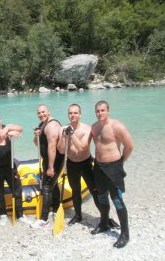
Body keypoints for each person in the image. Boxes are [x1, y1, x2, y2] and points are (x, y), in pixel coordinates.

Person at [57, 104, 120, 227]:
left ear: (80, 114)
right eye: (70, 113)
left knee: (94, 191)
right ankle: (78, 215)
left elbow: (82, 148)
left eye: (75, 113)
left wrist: (72, 133)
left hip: (85, 163)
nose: (73, 115)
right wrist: (64, 136)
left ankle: (105, 218)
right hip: (71, 164)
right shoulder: (63, 129)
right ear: (68, 114)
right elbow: (61, 150)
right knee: (75, 191)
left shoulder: (87, 129)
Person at [90, 100, 133, 248]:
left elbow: (129, 146)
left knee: (117, 200)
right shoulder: (94, 127)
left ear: (108, 110)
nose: (100, 113)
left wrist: (121, 162)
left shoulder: (117, 126)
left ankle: (125, 234)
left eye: (103, 110)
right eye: (97, 111)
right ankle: (104, 223)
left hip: (113, 167)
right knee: (102, 197)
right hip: (99, 167)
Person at [0, 111, 32, 226]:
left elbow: (21, 128)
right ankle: (3, 214)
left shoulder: (6, 128)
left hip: (10, 167)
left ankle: (20, 214)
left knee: (17, 189)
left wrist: (8, 128)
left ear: (0, 120)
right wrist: (4, 134)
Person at [30, 104, 65, 229]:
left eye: (43, 112)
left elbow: (52, 147)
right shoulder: (41, 124)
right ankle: (55, 209)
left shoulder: (52, 126)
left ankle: (43, 219)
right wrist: (37, 135)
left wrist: (51, 167)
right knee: (53, 185)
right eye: (39, 113)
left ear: (49, 112)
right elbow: (36, 143)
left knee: (46, 188)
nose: (41, 115)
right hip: (47, 160)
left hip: (55, 161)